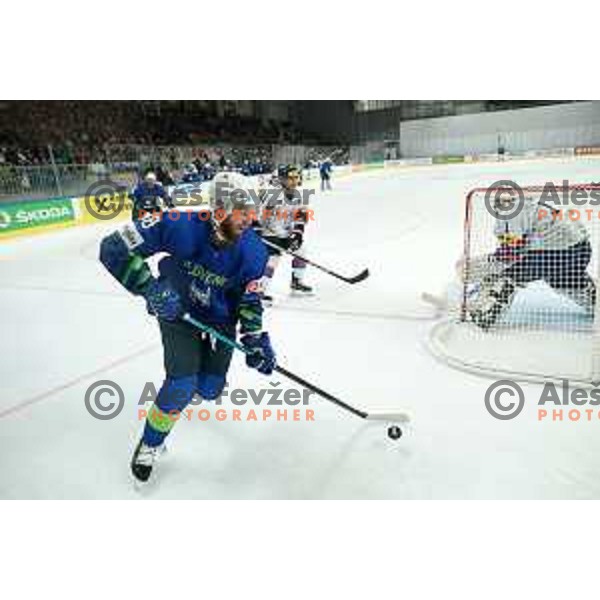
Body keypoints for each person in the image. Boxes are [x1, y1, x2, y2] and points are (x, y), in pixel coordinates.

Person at [99, 192, 275, 483]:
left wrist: (255, 337)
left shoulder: (255, 252)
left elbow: (250, 300)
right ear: (219, 210)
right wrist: (150, 288)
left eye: (250, 212)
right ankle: (151, 442)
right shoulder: (177, 222)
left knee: (209, 390)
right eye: (241, 211)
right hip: (176, 310)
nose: (249, 219)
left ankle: (201, 379)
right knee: (181, 384)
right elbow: (113, 247)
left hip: (219, 319)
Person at [467, 193, 595, 329]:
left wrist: (482, 266)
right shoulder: (528, 207)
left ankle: (487, 311)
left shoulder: (514, 212)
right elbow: (510, 246)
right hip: (580, 251)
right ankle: (593, 299)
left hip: (563, 253)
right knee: (561, 280)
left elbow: (511, 253)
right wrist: (491, 264)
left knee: (510, 273)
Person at [257, 164, 313, 302]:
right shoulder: (272, 195)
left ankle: (296, 282)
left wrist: (297, 234)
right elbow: (257, 215)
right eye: (290, 178)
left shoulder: (299, 196)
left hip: (285, 234)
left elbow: (301, 215)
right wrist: (258, 231)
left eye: (296, 178)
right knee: (272, 260)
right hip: (268, 234)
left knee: (301, 251)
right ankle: (259, 291)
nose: (294, 181)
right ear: (282, 179)